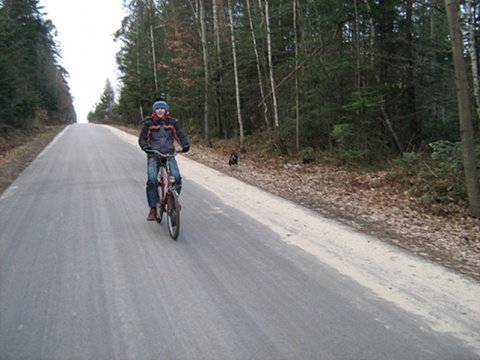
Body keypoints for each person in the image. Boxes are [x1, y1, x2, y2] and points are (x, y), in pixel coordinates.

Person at [138, 100, 190, 221]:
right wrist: (146, 147)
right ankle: (153, 208)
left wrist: (185, 145)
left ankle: (173, 199)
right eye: (158, 108)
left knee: (176, 177)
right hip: (154, 154)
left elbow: (180, 135)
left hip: (169, 154)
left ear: (166, 110)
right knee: (151, 180)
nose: (160, 110)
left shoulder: (172, 122)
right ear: (154, 111)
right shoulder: (149, 123)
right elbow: (143, 138)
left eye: (162, 108)